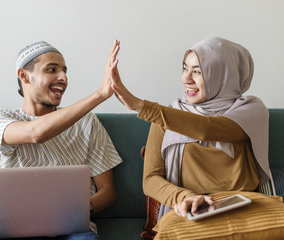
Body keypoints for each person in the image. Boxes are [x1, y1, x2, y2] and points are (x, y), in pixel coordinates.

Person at [110, 37, 269, 223]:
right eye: (185, 68)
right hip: (188, 212)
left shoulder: (250, 111)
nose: (186, 78)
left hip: (241, 211)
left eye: (198, 71)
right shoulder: (166, 118)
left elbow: (208, 128)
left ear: (223, 75)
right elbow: (150, 179)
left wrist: (141, 106)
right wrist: (184, 198)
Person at [0, 40, 123, 240]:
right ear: (24, 75)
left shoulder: (87, 122)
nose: (63, 77)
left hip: (73, 230)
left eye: (64, 70)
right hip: (16, 228)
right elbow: (35, 133)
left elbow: (108, 192)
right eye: (51, 69)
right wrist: (100, 95)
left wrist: (80, 208)